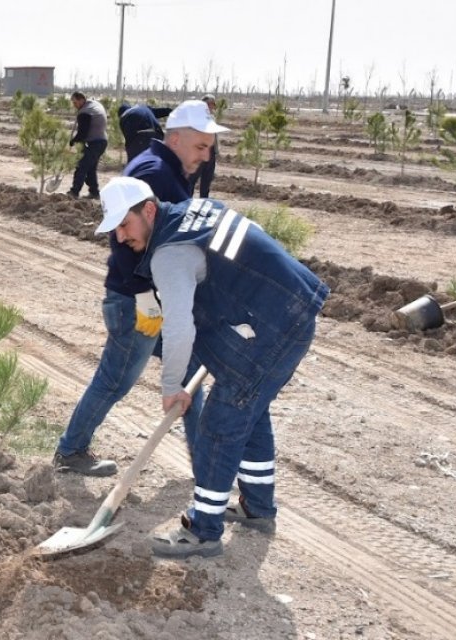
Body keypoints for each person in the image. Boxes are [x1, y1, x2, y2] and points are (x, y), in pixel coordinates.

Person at [96, 176, 329, 558]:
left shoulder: (169, 254)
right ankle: (257, 507)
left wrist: (172, 385)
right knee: (249, 411)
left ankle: (203, 530)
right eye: (115, 228)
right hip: (291, 309)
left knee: (221, 422)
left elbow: (179, 327)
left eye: (125, 224)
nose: (121, 237)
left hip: (274, 324)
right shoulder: (193, 211)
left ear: (149, 210)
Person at [53, 99, 226, 477]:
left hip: (154, 296)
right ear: (176, 138)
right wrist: (145, 294)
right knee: (115, 380)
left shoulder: (167, 169)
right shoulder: (155, 172)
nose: (206, 156)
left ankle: (205, 465)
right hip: (138, 302)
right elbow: (125, 234)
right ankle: (71, 450)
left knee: (186, 371)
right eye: (200, 146)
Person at [67, 91, 108, 199]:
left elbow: (82, 133)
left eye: (75, 102)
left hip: (95, 142)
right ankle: (94, 192)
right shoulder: (93, 104)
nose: (74, 105)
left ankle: (74, 192)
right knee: (90, 168)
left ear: (81, 100)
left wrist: (73, 141)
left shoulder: (85, 112)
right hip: (102, 141)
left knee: (82, 166)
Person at [188, 94, 221, 197]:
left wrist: (216, 151)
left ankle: (203, 205)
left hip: (211, 152)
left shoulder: (212, 117)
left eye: (213, 104)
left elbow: (215, 136)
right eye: (210, 104)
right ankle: (186, 204)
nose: (212, 107)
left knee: (206, 181)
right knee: (192, 180)